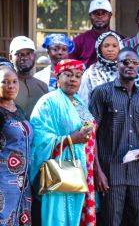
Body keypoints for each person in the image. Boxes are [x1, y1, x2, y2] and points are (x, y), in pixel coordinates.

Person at [30, 59, 96, 226]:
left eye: (78, 76)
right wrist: (69, 139)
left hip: (83, 168)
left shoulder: (79, 102)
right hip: (60, 169)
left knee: (77, 215)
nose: (73, 79)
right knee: (58, 217)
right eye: (68, 74)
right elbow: (39, 138)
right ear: (57, 77)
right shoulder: (48, 101)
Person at [89, 47, 139, 225]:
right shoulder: (102, 92)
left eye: (134, 63)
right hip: (110, 173)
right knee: (111, 222)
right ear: (117, 64)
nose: (130, 66)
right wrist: (97, 171)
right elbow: (92, 134)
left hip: (138, 174)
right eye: (125, 62)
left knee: (138, 221)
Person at [0, 65, 34, 225]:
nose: (11, 86)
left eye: (14, 81)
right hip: (3, 181)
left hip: (23, 182)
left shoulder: (19, 110)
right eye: (5, 82)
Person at [78, 31, 139, 106]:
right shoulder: (90, 73)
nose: (110, 49)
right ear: (99, 48)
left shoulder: (129, 71)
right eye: (106, 46)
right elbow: (83, 102)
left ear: (120, 47)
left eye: (114, 46)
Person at [69, 0, 119, 67]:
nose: (100, 16)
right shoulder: (78, 41)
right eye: (96, 13)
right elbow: (70, 68)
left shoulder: (120, 40)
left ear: (110, 15)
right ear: (90, 16)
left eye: (104, 13)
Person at [8, 36, 48, 119]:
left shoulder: (43, 86)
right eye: (19, 54)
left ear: (35, 56)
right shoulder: (5, 86)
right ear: (11, 57)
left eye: (29, 53)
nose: (25, 57)